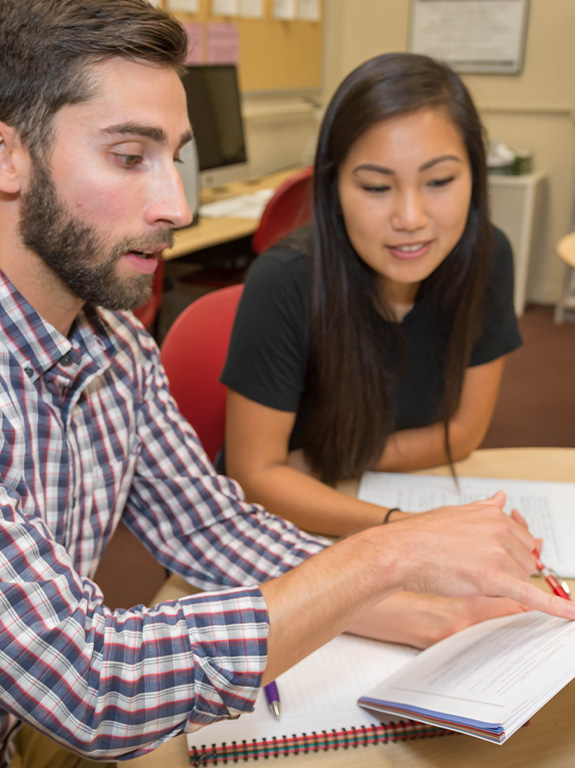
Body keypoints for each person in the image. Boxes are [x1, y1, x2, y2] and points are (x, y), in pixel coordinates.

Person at [0, 3, 572, 767]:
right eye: (130, 156)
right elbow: (98, 685)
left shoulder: (119, 349)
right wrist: (386, 555)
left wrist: (409, 611)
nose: (177, 205)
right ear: (7, 159)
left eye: (176, 157)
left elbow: (211, 530)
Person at [222, 52, 521, 536]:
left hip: (354, 489)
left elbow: (464, 432)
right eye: (377, 187)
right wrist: (405, 529)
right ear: (334, 186)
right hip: (283, 527)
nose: (410, 217)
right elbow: (255, 477)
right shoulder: (283, 280)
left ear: (475, 178)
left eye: (440, 181)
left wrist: (323, 460)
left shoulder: (488, 257)